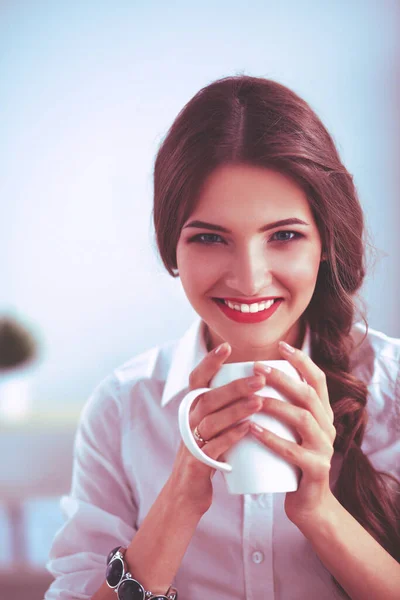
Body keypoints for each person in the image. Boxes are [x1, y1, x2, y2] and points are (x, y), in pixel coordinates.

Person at [45, 75, 400, 600]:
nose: (249, 279)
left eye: (284, 235)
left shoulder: (391, 389)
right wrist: (181, 499)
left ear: (326, 243)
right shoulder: (123, 408)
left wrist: (319, 509)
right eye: (210, 237)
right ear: (172, 248)